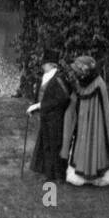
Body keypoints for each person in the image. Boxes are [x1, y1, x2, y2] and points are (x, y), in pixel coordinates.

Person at [61, 55, 109, 186]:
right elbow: (76, 99)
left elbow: (101, 109)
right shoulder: (82, 83)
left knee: (95, 141)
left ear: (85, 70)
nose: (76, 73)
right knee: (81, 142)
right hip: (82, 122)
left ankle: (97, 172)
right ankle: (81, 171)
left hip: (96, 123)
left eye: (78, 70)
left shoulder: (99, 84)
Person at [28, 48, 70, 183]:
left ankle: (59, 176)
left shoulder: (59, 78)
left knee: (55, 145)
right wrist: (34, 109)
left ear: (52, 64)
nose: (42, 65)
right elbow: (39, 97)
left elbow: (62, 99)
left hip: (56, 118)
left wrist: (40, 106)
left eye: (45, 63)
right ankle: (48, 174)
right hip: (45, 117)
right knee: (46, 145)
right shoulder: (43, 78)